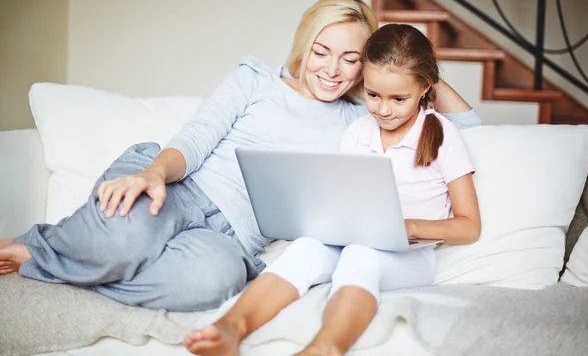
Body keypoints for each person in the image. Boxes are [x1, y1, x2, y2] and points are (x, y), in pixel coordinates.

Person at [0, 0, 480, 313]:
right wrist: (153, 174)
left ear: (366, 66)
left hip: (232, 238)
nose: (332, 70)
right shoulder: (255, 78)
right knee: (120, 242)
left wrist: (420, 69)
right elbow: (197, 135)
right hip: (180, 187)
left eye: (351, 59)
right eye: (321, 51)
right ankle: (53, 248)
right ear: (304, 45)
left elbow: (467, 127)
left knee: (210, 286)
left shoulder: (359, 121)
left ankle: (51, 264)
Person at [182, 23, 481, 356]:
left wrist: (406, 227)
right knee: (306, 247)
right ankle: (229, 329)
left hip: (410, 256)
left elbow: (469, 226)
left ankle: (325, 348)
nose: (383, 109)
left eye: (398, 99)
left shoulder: (442, 134)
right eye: (372, 95)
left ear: (425, 86)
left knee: (360, 255)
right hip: (353, 236)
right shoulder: (357, 133)